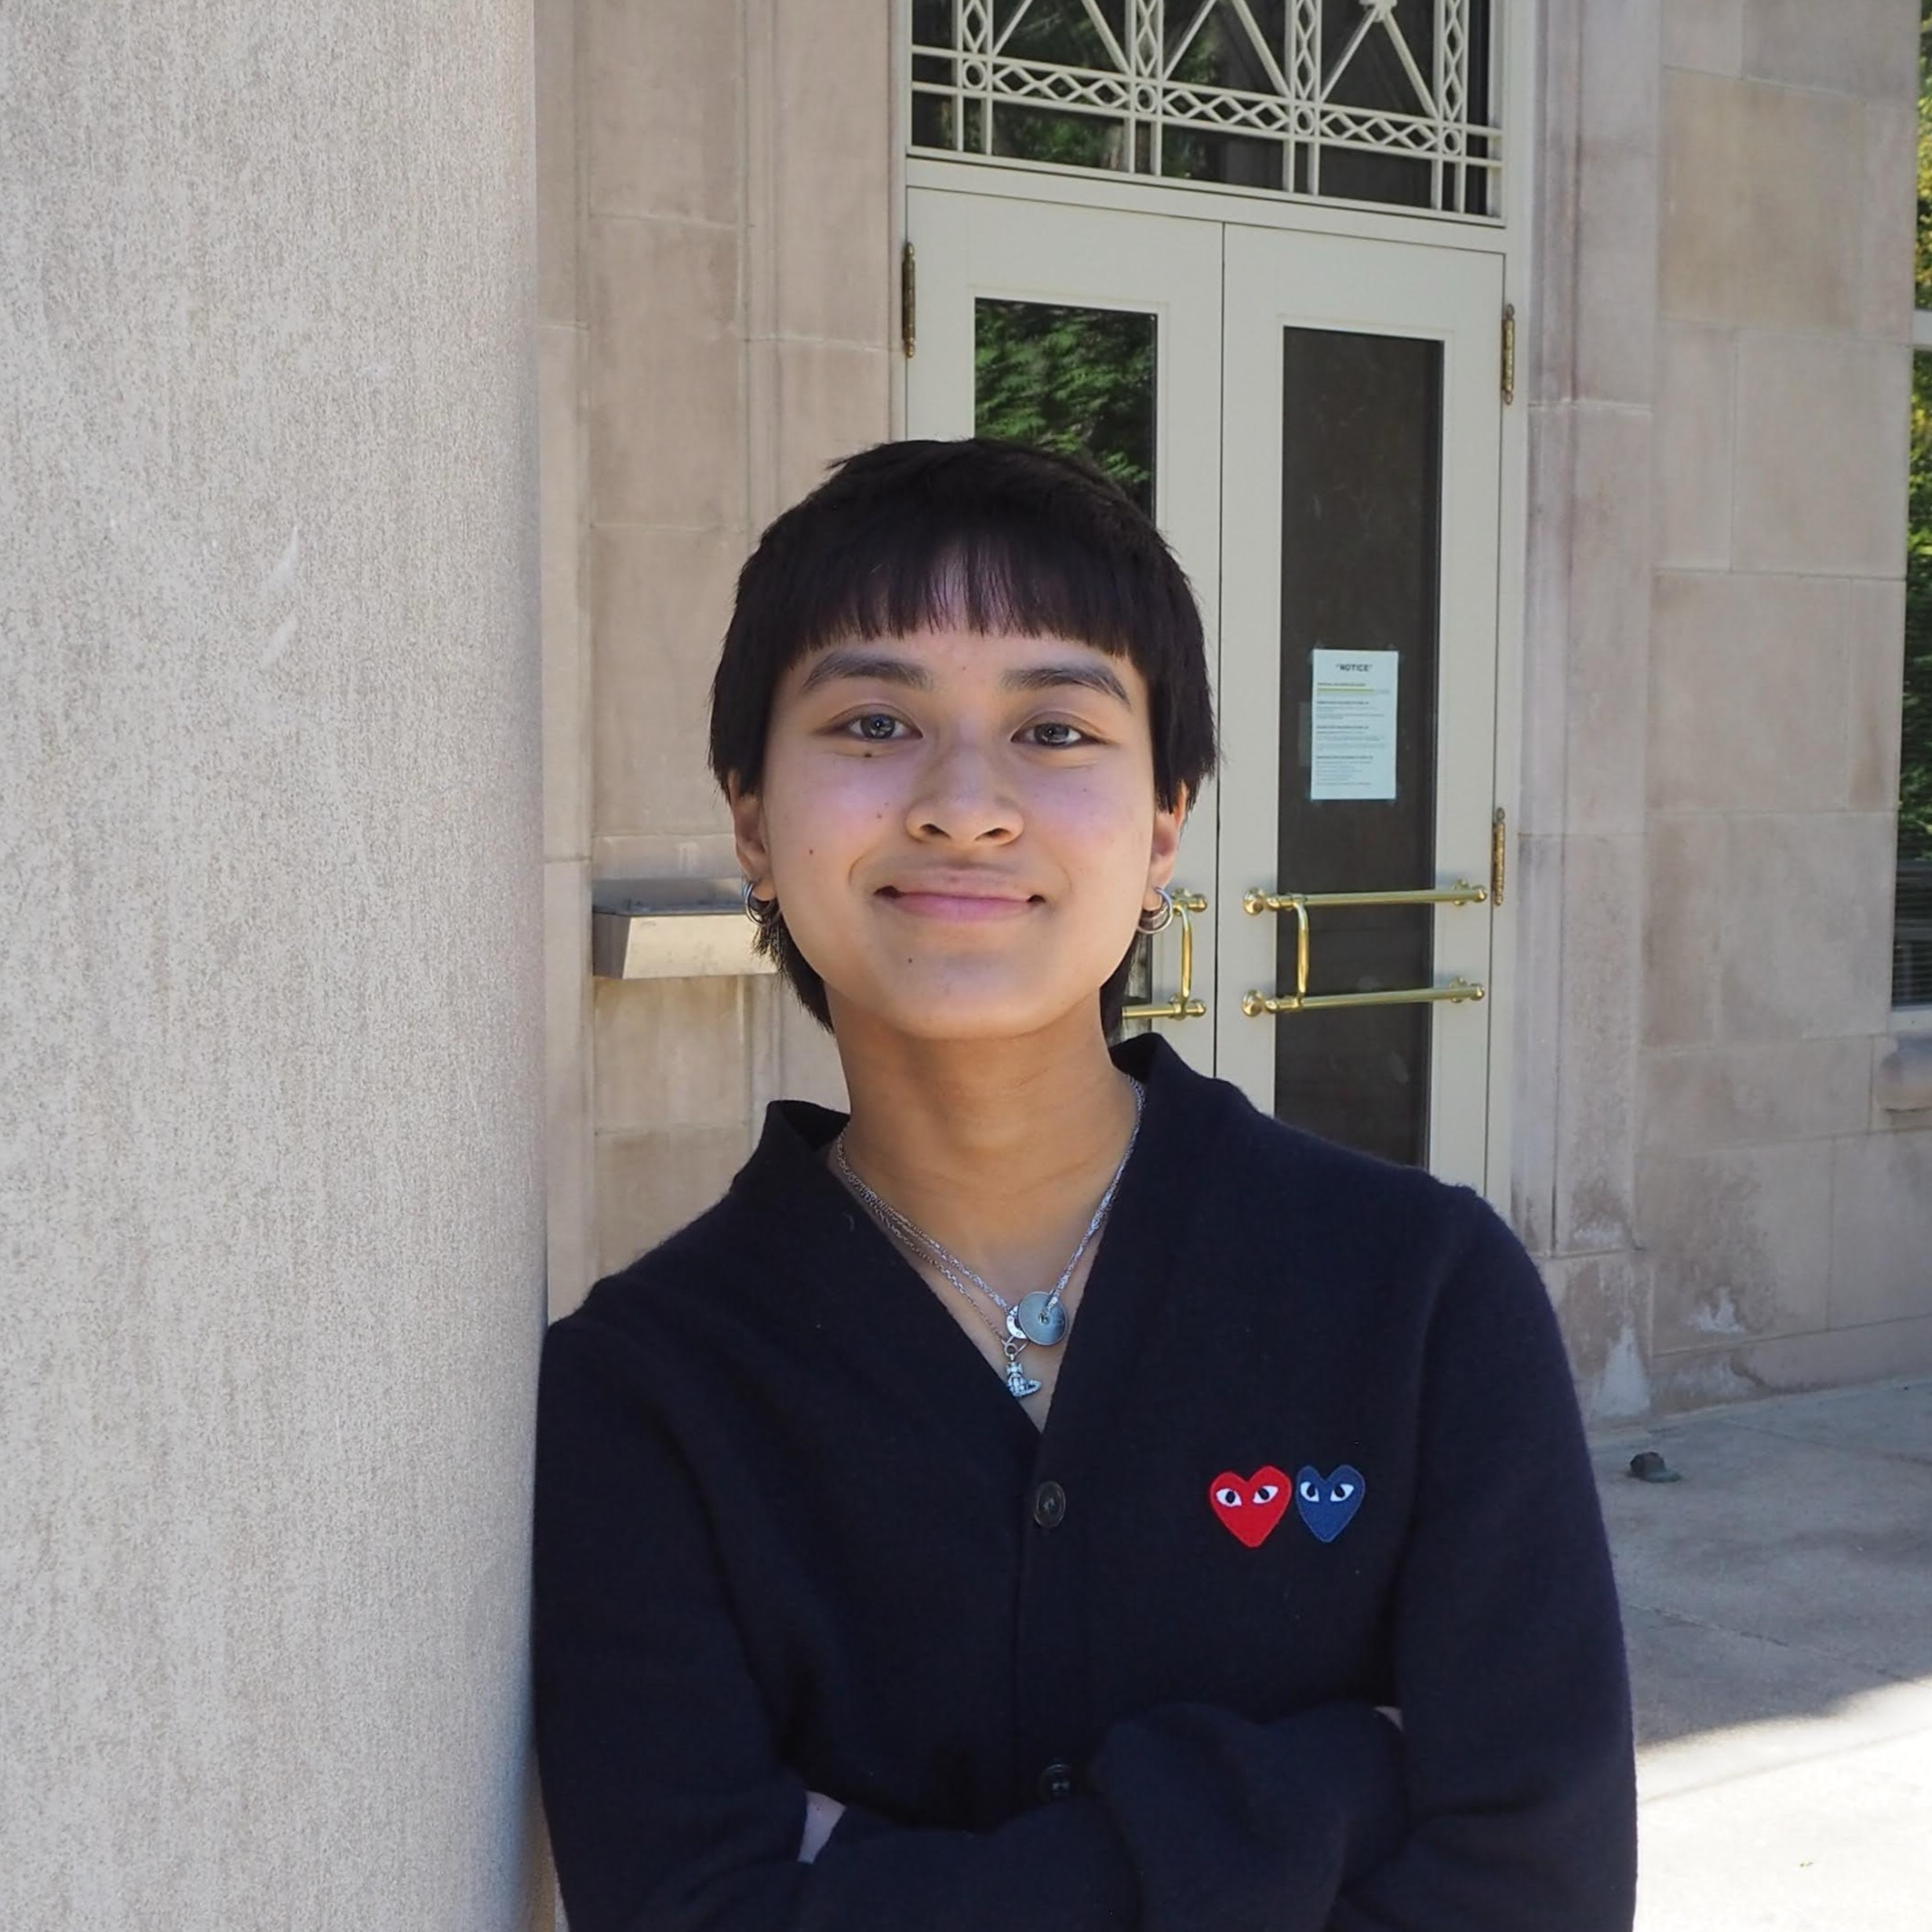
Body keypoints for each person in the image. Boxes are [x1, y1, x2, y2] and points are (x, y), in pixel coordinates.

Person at [532, 438, 1637, 1932]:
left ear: (1166, 820)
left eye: (1056, 730)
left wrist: (859, 1868)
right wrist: (1325, 1792)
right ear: (749, 819)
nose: (965, 804)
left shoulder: (1421, 1297)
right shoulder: (642, 1396)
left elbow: (1535, 1889)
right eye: (872, 719)